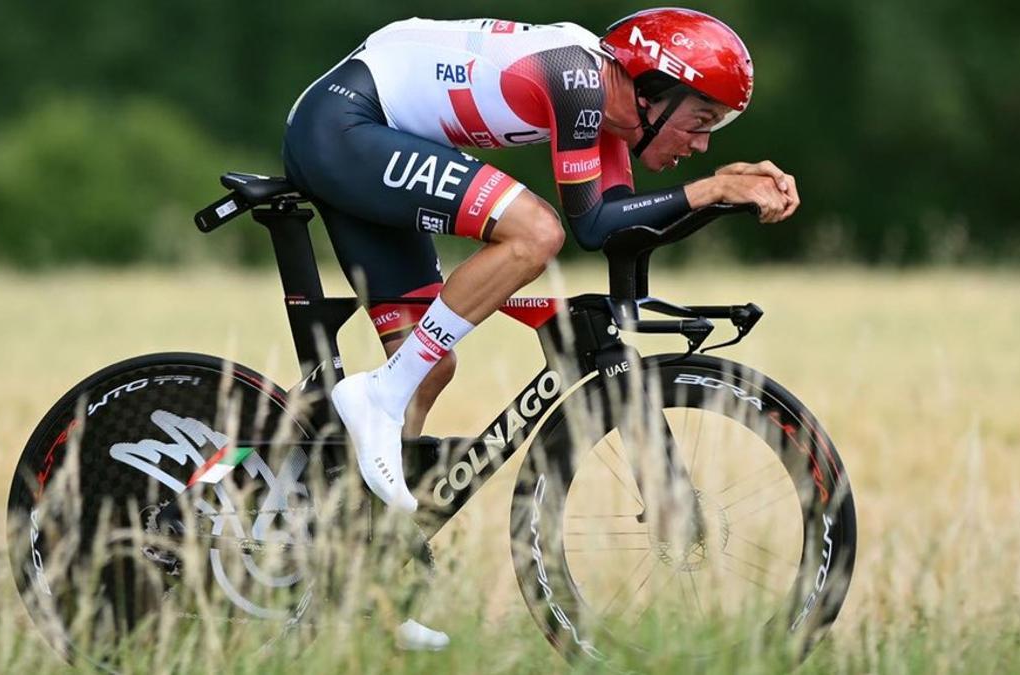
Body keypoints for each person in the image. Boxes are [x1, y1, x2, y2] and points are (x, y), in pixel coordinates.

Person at [281, 9, 799, 649]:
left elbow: (615, 228)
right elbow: (578, 227)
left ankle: (364, 587)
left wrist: (721, 195)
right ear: (653, 91)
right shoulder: (577, 79)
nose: (700, 145)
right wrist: (713, 188)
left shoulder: (612, 116)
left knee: (430, 369)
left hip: (376, 137)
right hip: (343, 127)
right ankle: (375, 396)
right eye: (701, 122)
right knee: (535, 231)